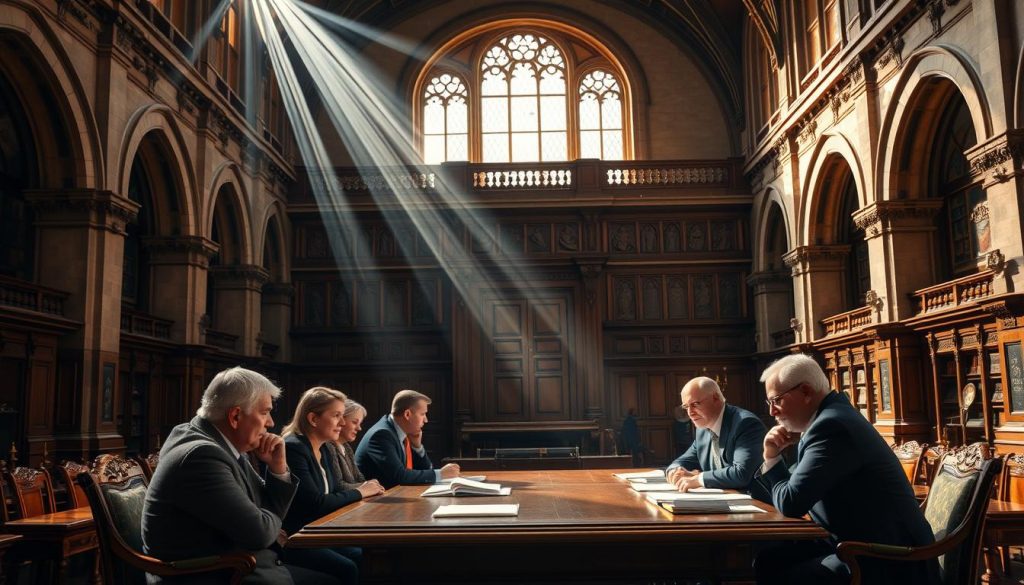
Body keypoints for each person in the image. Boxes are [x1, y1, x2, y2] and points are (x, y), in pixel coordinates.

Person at [141, 366, 336, 585]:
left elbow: (262, 508)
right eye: (264, 412)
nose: (270, 422)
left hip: (239, 564)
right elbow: (260, 533)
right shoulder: (202, 456)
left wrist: (278, 469)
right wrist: (271, 528)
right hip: (220, 575)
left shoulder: (216, 441)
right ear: (235, 416)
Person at [754, 354, 938, 585]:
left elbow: (791, 501)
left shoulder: (831, 427)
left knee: (782, 572)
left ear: (806, 392)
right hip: (865, 546)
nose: (772, 412)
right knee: (769, 560)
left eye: (777, 400)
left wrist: (771, 456)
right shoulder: (830, 419)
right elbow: (793, 485)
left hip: (887, 559)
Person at [280, 387, 385, 584]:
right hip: (296, 537)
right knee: (348, 567)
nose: (343, 422)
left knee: (368, 555)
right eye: (337, 415)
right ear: (313, 419)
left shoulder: (323, 446)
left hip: (319, 530)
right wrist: (360, 492)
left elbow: (335, 490)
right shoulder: (293, 447)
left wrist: (360, 492)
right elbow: (315, 503)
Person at [665, 376, 767, 495]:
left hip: (758, 505)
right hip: (723, 503)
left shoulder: (745, 424)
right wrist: (674, 471)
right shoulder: (702, 429)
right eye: (686, 406)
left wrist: (699, 479)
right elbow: (684, 460)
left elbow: (741, 473)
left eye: (695, 404)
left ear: (716, 398)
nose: (690, 413)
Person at [355, 389, 460, 489]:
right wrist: (440, 474)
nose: (426, 420)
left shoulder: (399, 432)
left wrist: (417, 447)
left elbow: (425, 470)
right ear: (407, 414)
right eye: (422, 414)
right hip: (376, 503)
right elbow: (400, 476)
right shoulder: (381, 435)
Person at [324, 398, 370, 489]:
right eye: (354, 422)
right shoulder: (328, 447)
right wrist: (366, 487)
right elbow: (338, 486)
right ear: (340, 420)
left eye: (360, 423)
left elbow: (358, 477)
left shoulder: (346, 446)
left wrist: (370, 485)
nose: (359, 428)